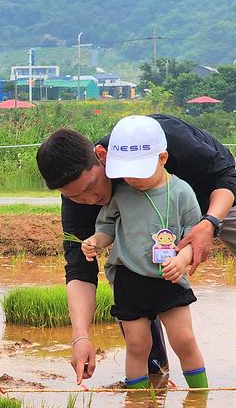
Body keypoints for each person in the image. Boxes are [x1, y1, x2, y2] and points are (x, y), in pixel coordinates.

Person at [36, 114, 236, 385]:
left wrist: (208, 222)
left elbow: (227, 174)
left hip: (216, 195)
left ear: (101, 155)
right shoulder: (78, 203)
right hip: (148, 238)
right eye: (74, 196)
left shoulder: (157, 142)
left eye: (91, 187)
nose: (90, 200)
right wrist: (81, 336)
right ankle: (154, 380)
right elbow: (80, 270)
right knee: (134, 307)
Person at [80, 116, 207, 389]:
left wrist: (182, 259)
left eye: (139, 171)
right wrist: (95, 241)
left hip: (169, 277)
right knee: (137, 344)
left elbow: (192, 236)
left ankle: (200, 400)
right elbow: (107, 228)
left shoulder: (182, 192)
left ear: (162, 158)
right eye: (125, 171)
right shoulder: (121, 193)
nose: (131, 178)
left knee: (183, 339)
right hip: (130, 279)